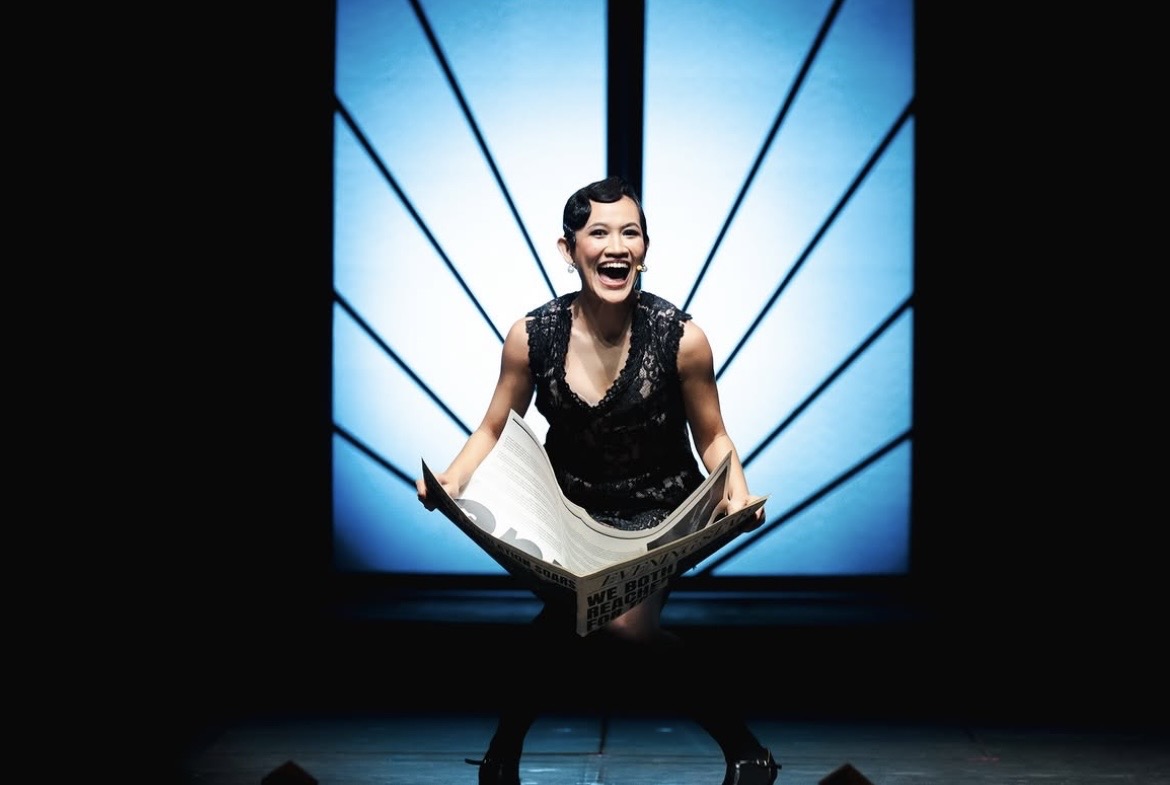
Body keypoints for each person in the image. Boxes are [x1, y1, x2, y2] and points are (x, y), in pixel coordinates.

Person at [416, 175, 780, 785]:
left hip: (659, 513)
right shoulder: (532, 336)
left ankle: (504, 755)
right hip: (570, 515)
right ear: (569, 249)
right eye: (599, 233)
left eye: (630, 233)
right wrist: (451, 480)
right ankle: (746, 756)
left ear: (645, 249)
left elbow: (714, 436)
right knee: (563, 626)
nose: (616, 247)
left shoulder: (682, 339)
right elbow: (493, 426)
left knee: (626, 628)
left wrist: (736, 491)